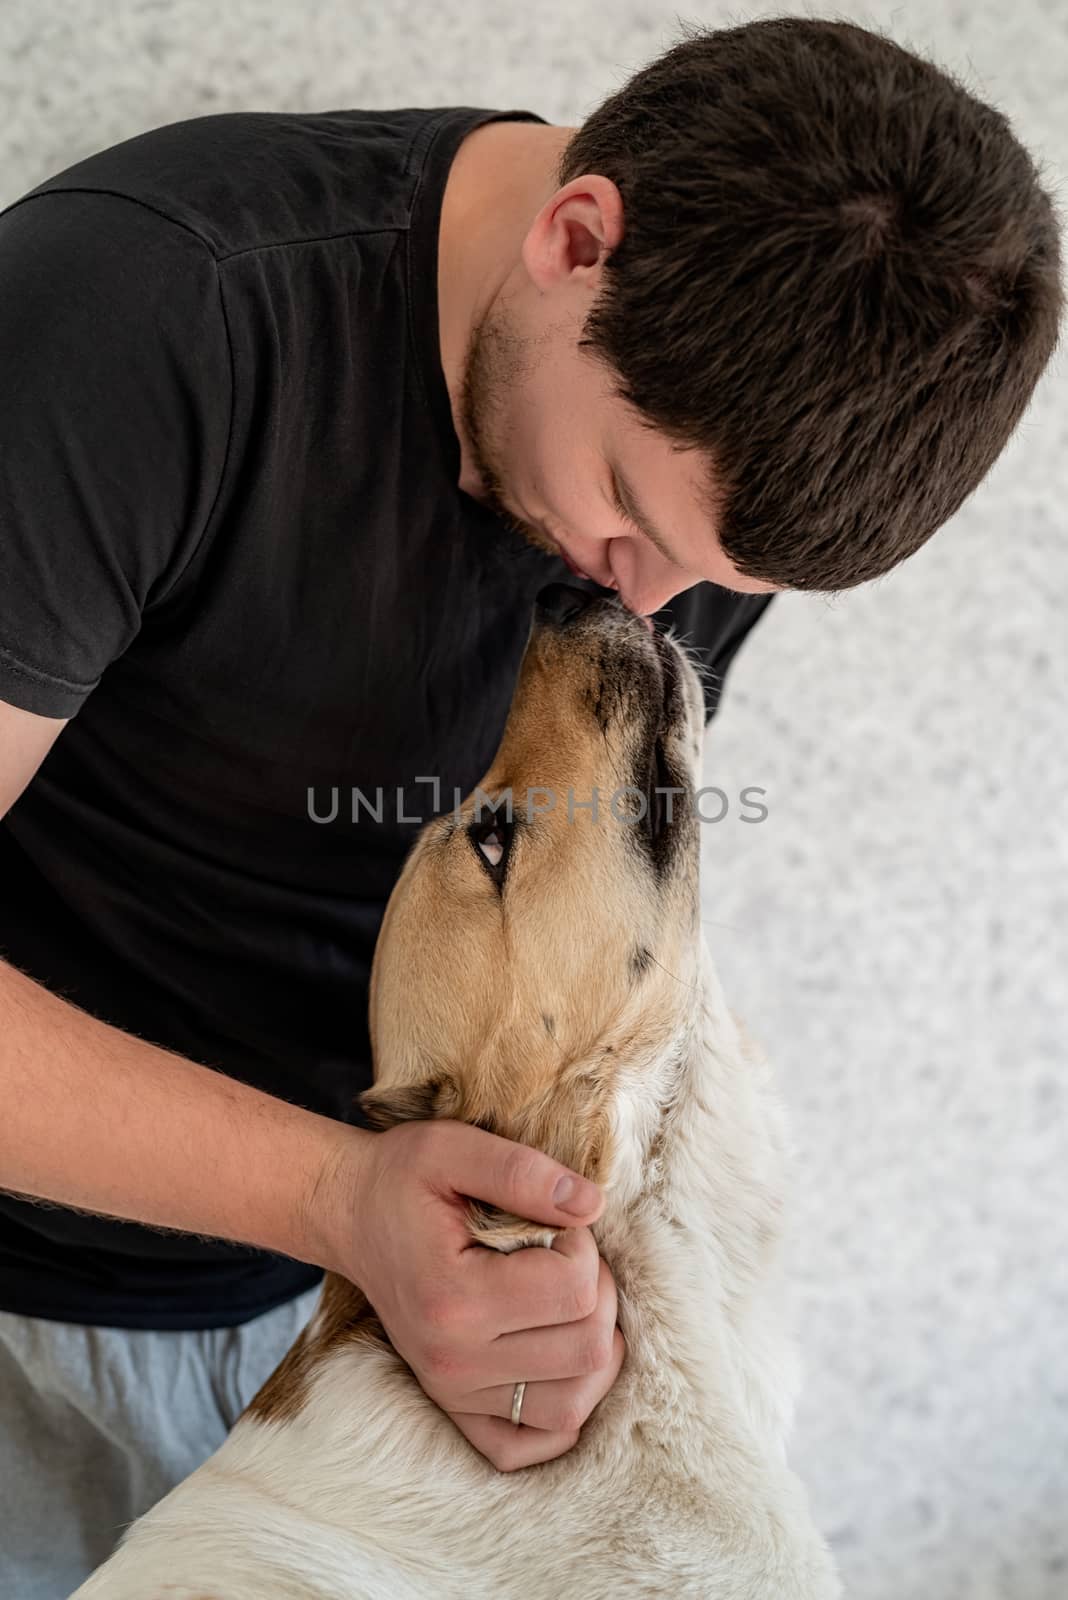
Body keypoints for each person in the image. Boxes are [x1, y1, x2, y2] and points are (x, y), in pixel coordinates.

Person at [0, 14, 1061, 1596]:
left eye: (721, 579)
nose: (654, 603)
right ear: (579, 238)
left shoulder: (687, 505)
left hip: (373, 1322)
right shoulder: (147, 317)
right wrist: (338, 1199)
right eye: (629, 513)